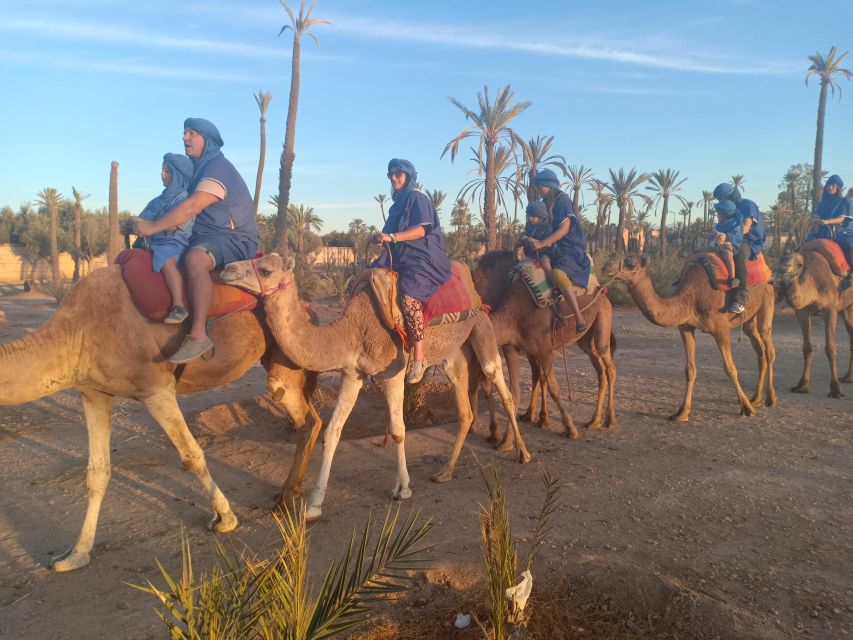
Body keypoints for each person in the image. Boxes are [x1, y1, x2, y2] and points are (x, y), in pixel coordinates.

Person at [133, 118, 259, 363]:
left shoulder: (217, 168)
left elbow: (191, 207)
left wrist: (153, 228)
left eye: (192, 133)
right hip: (202, 234)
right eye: (184, 132)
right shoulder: (196, 170)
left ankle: (198, 334)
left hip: (231, 238)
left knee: (195, 259)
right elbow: (174, 203)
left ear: (207, 139)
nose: (185, 137)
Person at [372, 158, 451, 384]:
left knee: (408, 296)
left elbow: (421, 230)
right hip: (400, 257)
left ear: (408, 176)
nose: (394, 177)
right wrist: (379, 237)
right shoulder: (397, 204)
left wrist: (393, 237)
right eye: (391, 174)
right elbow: (389, 234)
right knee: (369, 279)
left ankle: (419, 357)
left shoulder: (417, 197)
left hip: (422, 257)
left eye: (398, 173)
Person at [132, 153, 195, 324]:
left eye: (167, 171)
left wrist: (146, 225)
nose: (162, 174)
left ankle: (179, 305)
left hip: (175, 241)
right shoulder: (158, 200)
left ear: (178, 175)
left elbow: (174, 224)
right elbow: (143, 220)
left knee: (166, 259)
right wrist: (133, 224)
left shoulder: (186, 200)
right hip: (153, 240)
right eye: (162, 170)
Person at [527, 168, 589, 331]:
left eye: (541, 186)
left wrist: (542, 243)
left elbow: (564, 230)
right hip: (553, 245)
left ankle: (579, 318)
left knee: (558, 273)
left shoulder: (563, 201)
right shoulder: (545, 204)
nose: (539, 190)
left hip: (569, 247)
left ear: (549, 186)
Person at [713, 182, 766, 313]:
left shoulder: (747, 205)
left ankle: (740, 298)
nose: (720, 202)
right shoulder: (729, 209)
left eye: (721, 198)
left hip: (749, 240)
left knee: (739, 256)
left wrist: (726, 236)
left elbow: (746, 228)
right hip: (732, 238)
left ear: (730, 196)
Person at [810, 174, 853, 282]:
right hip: (822, 234)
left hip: (841, 234)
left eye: (833, 185)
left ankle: (850, 277)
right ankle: (786, 277)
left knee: (849, 249)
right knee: (801, 248)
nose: (830, 187)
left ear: (838, 187)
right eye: (829, 185)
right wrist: (815, 219)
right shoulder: (823, 203)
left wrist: (827, 221)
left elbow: (842, 218)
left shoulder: (844, 202)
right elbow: (817, 214)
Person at [708, 200, 744, 287]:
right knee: (698, 252)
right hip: (715, 244)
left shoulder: (735, 224)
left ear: (725, 214)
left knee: (728, 256)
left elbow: (734, 234)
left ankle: (732, 278)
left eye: (718, 213)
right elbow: (713, 234)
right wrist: (707, 235)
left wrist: (725, 236)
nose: (717, 215)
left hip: (727, 245)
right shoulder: (718, 225)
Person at [519, 199, 554, 277]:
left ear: (541, 217)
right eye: (530, 216)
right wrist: (523, 238)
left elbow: (549, 243)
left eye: (534, 216)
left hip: (545, 253)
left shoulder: (548, 228)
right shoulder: (530, 227)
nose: (531, 219)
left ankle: (555, 284)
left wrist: (534, 241)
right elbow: (524, 236)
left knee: (545, 263)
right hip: (530, 254)